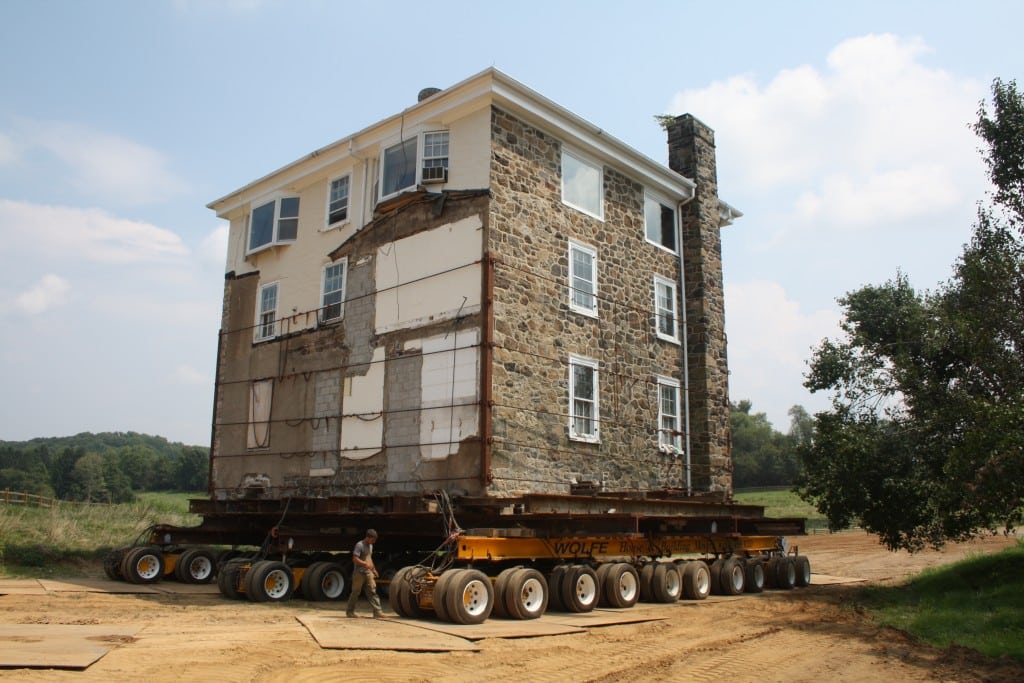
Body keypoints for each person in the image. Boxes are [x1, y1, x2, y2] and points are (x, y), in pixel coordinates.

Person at [346, 529, 386, 618]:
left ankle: (377, 612)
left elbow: (369, 558)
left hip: (368, 572)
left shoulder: (371, 546)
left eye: (375, 540)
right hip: (358, 573)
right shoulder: (359, 545)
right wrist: (364, 564)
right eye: (373, 539)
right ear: (368, 537)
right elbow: (355, 559)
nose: (374, 541)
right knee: (356, 592)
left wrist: (374, 569)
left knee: (372, 591)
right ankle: (350, 612)